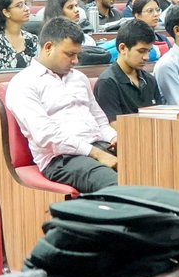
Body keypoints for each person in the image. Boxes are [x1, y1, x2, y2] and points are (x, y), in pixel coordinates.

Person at [8, 18, 117, 191]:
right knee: (120, 184)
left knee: (151, 166)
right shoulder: (23, 83)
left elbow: (100, 121)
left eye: (77, 54)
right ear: (48, 47)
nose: (75, 61)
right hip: (62, 159)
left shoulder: (79, 78)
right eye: (70, 54)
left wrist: (113, 138)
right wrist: (96, 153)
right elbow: (47, 136)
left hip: (99, 146)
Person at [93, 19, 164, 121]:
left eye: (148, 51)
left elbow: (161, 119)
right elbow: (114, 125)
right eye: (141, 51)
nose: (146, 57)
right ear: (122, 48)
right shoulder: (108, 83)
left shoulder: (150, 80)